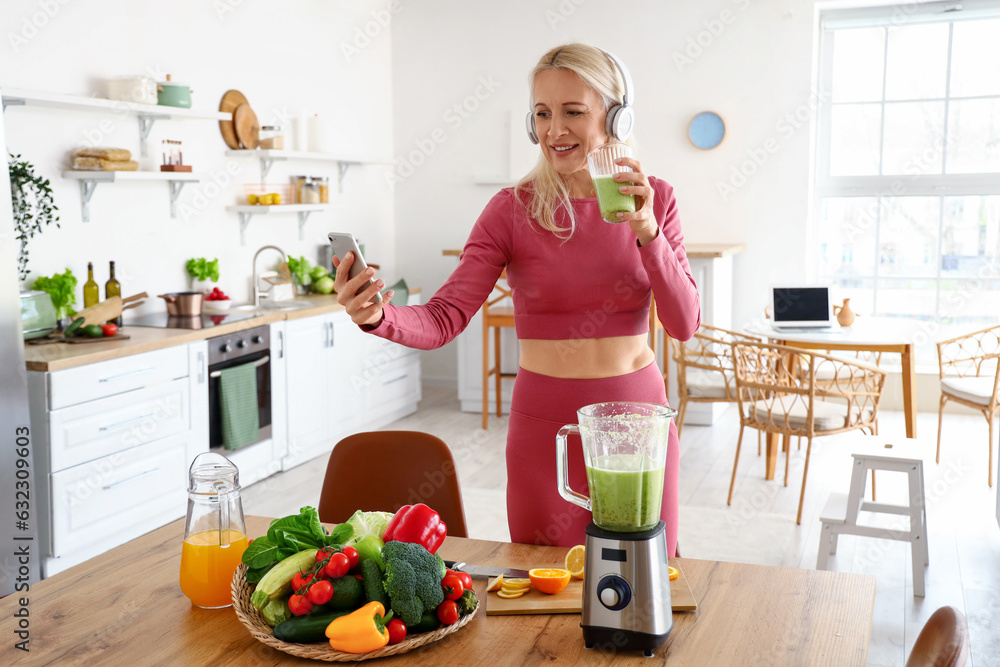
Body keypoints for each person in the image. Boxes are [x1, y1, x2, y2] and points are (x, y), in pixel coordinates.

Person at [333, 43, 700, 556]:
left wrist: (647, 231)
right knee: (540, 585)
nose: (554, 131)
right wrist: (378, 316)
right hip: (543, 428)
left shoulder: (656, 197)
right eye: (542, 114)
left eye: (573, 112)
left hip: (634, 427)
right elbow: (444, 317)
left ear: (617, 118)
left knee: (643, 582)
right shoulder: (511, 209)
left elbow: (684, 323)